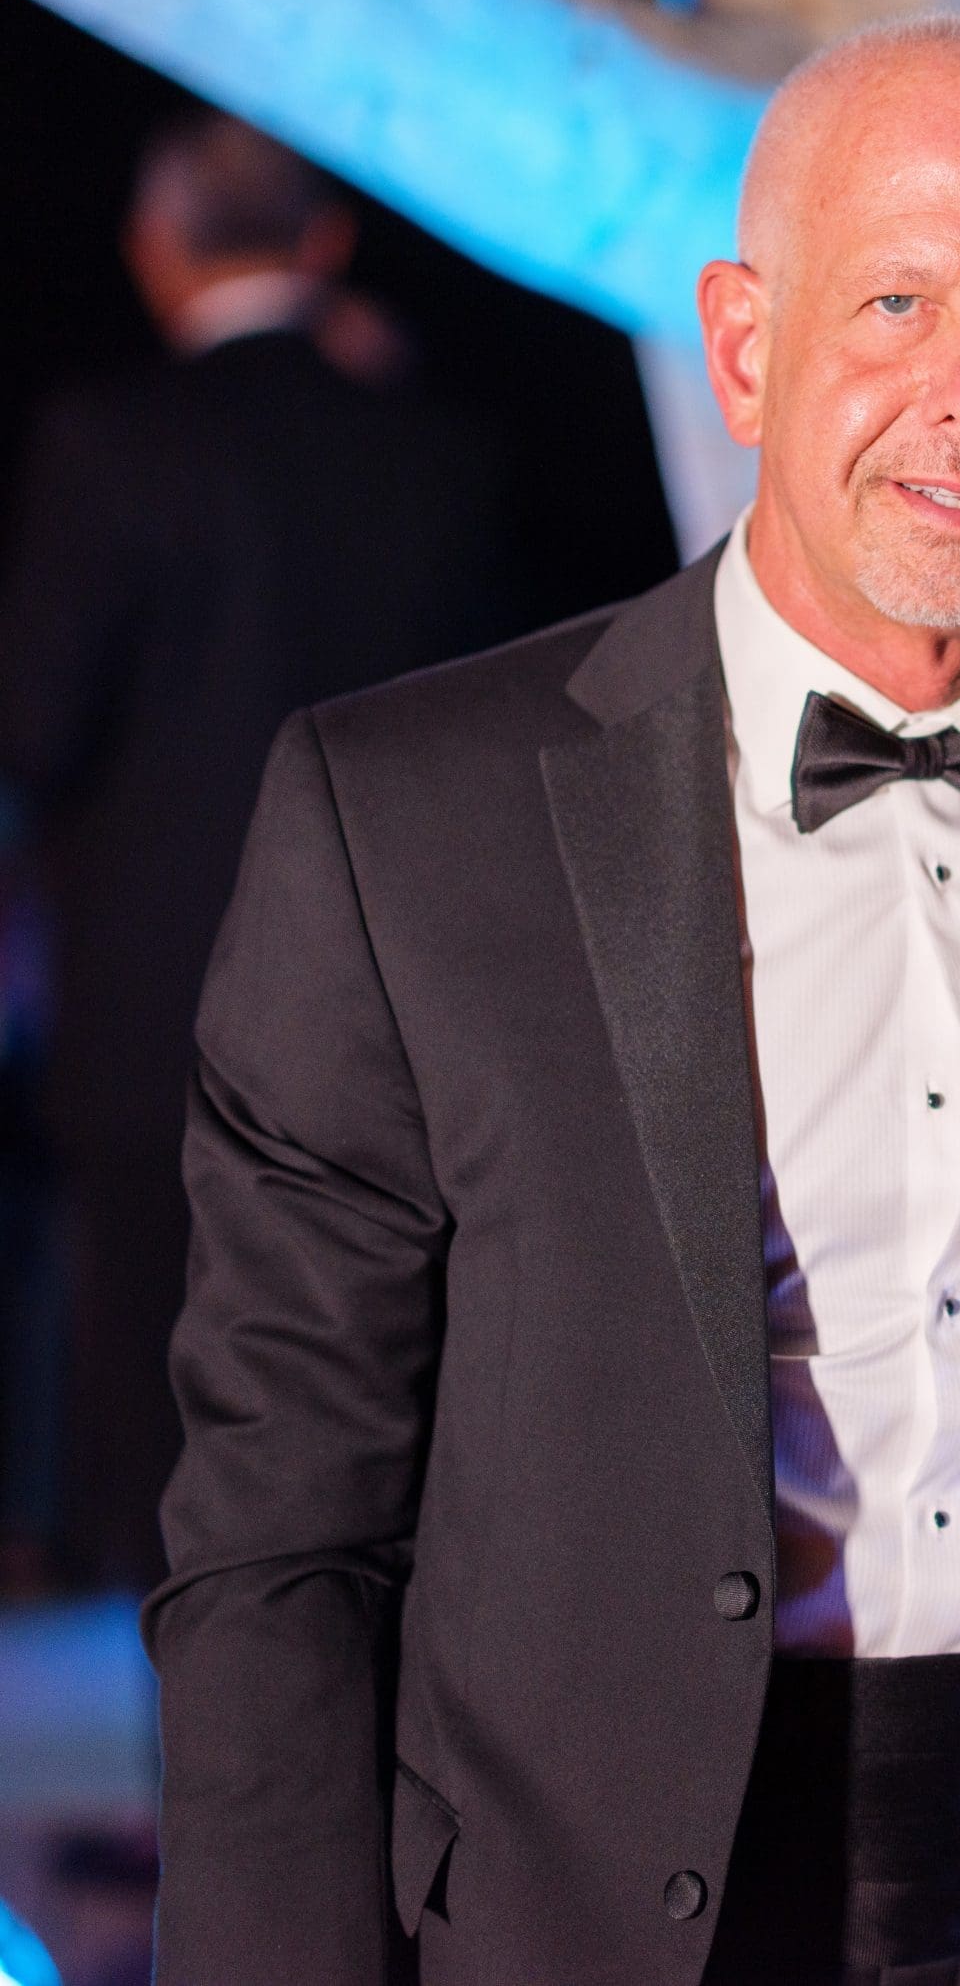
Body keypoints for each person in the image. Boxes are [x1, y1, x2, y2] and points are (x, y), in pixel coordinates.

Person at [145, 16, 960, 1986]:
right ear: (745, 343)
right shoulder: (402, 818)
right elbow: (279, 1531)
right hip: (587, 1923)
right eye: (897, 300)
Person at [0, 109, 503, 1592]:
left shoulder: (106, 446)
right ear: (327, 245)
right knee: (388, 1405)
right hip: (408, 1005)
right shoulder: (435, 452)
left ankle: (192, 1741)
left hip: (154, 1013)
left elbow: (32, 726)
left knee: (168, 1422)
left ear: (155, 248)